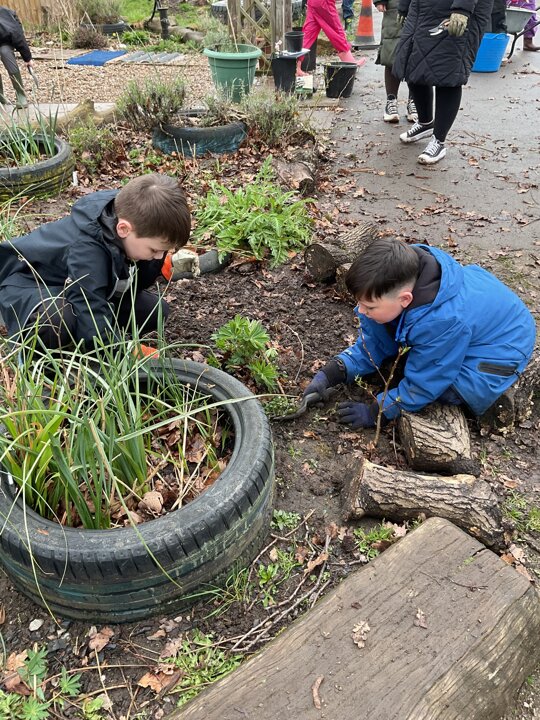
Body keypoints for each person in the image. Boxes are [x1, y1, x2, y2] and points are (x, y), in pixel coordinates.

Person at [302, 238, 536, 428]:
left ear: (405, 299)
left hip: (501, 349)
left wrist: (377, 412)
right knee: (398, 349)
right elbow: (374, 344)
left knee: (447, 392)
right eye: (360, 303)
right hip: (475, 321)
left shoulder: (442, 322)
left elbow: (426, 383)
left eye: (369, 306)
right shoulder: (397, 277)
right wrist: (332, 373)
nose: (360, 311)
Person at [0, 174, 191, 352]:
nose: (159, 255)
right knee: (57, 320)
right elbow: (89, 308)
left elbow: (130, 286)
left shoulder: (129, 219)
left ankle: (82, 342)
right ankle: (39, 360)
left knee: (155, 311)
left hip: (74, 290)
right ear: (124, 229)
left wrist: (162, 266)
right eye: (154, 250)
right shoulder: (86, 250)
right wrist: (124, 353)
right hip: (28, 289)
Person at [391, 0, 493, 164]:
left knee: (448, 73)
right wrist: (404, 4)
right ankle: (425, 123)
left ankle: (438, 140)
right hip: (421, 9)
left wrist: (462, 9)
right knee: (412, 66)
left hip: (459, 11)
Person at [373, 0, 417, 123]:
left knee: (418, 55)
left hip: (424, 6)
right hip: (394, 6)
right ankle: (391, 101)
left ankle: (415, 101)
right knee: (392, 52)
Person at [297, 0, 366, 75]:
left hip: (312, 2)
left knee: (308, 34)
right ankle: (350, 62)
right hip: (324, 2)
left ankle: (296, 67)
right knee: (337, 31)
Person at [0, 6, 32, 109]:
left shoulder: (5, 15)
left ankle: (20, 94)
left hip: (5, 42)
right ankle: (0, 97)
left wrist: (27, 58)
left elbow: (18, 36)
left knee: (5, 52)